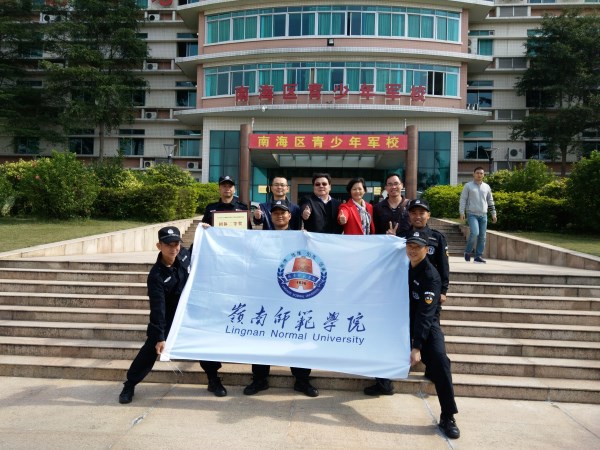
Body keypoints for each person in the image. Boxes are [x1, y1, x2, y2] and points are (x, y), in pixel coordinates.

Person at [118, 226, 226, 404]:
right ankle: (129, 384)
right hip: (169, 317)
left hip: (190, 313)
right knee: (151, 348)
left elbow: (197, 248)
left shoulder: (183, 254)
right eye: (168, 244)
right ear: (159, 246)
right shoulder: (156, 276)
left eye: (176, 243)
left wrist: (205, 229)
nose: (173, 248)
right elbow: (158, 308)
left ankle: (213, 380)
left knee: (204, 343)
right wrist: (160, 336)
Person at [243, 200, 319, 397]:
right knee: (262, 338)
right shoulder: (262, 238)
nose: (279, 216)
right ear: (271, 216)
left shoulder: (301, 238)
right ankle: (259, 379)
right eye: (275, 213)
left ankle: (302, 380)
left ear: (290, 216)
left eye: (283, 213)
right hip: (266, 296)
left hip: (292, 296)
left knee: (298, 338)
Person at [405, 228, 460, 439]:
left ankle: (448, 416)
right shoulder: (403, 267)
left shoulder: (431, 276)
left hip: (426, 325)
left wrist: (416, 346)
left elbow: (425, 315)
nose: (412, 250)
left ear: (426, 250)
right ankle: (382, 383)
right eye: (409, 246)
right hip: (402, 322)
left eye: (417, 247)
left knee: (440, 361)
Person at [407, 199, 450, 304]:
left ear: (428, 215)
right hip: (407, 286)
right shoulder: (402, 236)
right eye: (414, 213)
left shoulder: (437, 238)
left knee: (430, 313)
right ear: (409, 215)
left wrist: (443, 290)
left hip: (429, 286)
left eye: (421, 213)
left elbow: (443, 265)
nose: (417, 216)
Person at [459, 167, 497, 263]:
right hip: (472, 214)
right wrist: (462, 212)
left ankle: (478, 257)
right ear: (473, 174)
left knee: (482, 237)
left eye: (481, 173)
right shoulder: (468, 186)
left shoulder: (487, 187)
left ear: (483, 175)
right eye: (477, 173)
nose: (479, 175)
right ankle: (468, 251)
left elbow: (490, 201)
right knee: (475, 233)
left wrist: (493, 214)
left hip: (483, 215)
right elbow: (463, 199)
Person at [373, 173, 411, 238]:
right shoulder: (378, 208)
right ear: (386, 187)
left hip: (407, 243)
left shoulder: (411, 205)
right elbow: (375, 232)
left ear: (402, 185)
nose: (393, 187)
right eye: (390, 184)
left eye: (396, 184)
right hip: (385, 243)